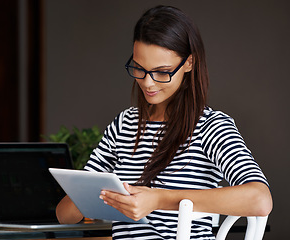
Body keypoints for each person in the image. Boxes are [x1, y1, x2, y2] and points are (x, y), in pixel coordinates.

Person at [56, 5, 273, 240]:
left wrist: (157, 199)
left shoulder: (211, 127)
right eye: (140, 69)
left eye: (162, 72)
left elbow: (259, 199)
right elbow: (64, 215)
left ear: (189, 63)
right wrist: (95, 194)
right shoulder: (124, 124)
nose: (148, 83)